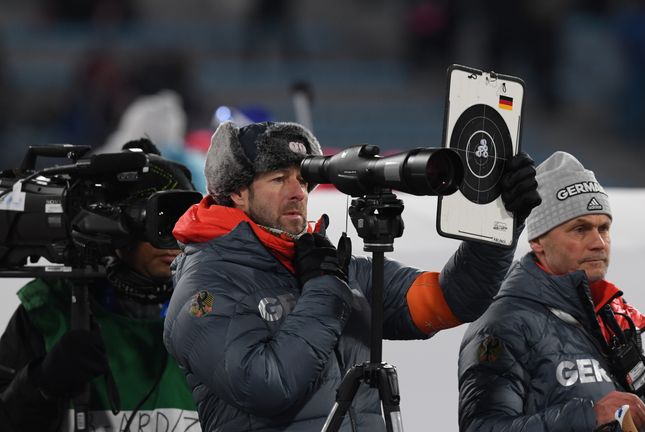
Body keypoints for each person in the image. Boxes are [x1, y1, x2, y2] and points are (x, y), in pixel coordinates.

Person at [162, 120, 542, 431]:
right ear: (237, 193)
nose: (297, 192)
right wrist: (326, 290)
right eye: (279, 179)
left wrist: (499, 220)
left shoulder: (326, 263)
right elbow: (265, 386)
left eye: (303, 179)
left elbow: (453, 298)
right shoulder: (206, 285)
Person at [457, 151, 645, 432]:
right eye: (580, 229)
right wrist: (589, 416)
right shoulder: (503, 324)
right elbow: (482, 428)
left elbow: (621, 421)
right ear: (538, 241)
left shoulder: (614, 317)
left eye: (604, 228)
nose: (598, 243)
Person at [0, 139, 202, 431]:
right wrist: (40, 384)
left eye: (184, 220)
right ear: (115, 228)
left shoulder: (211, 309)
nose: (175, 238)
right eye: (159, 220)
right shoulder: (49, 313)